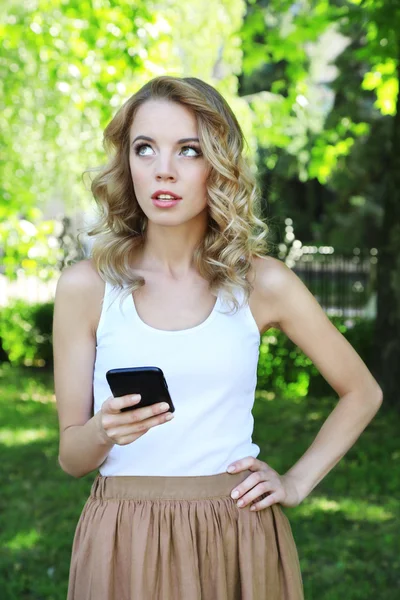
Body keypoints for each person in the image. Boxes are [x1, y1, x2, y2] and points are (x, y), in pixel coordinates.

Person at [53, 75, 383, 600]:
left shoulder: (263, 283)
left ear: (218, 163)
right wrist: (103, 430)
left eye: (188, 150)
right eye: (146, 148)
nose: (164, 169)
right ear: (127, 163)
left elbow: (363, 392)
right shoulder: (85, 288)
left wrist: (296, 483)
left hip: (236, 532)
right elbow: (72, 457)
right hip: (122, 537)